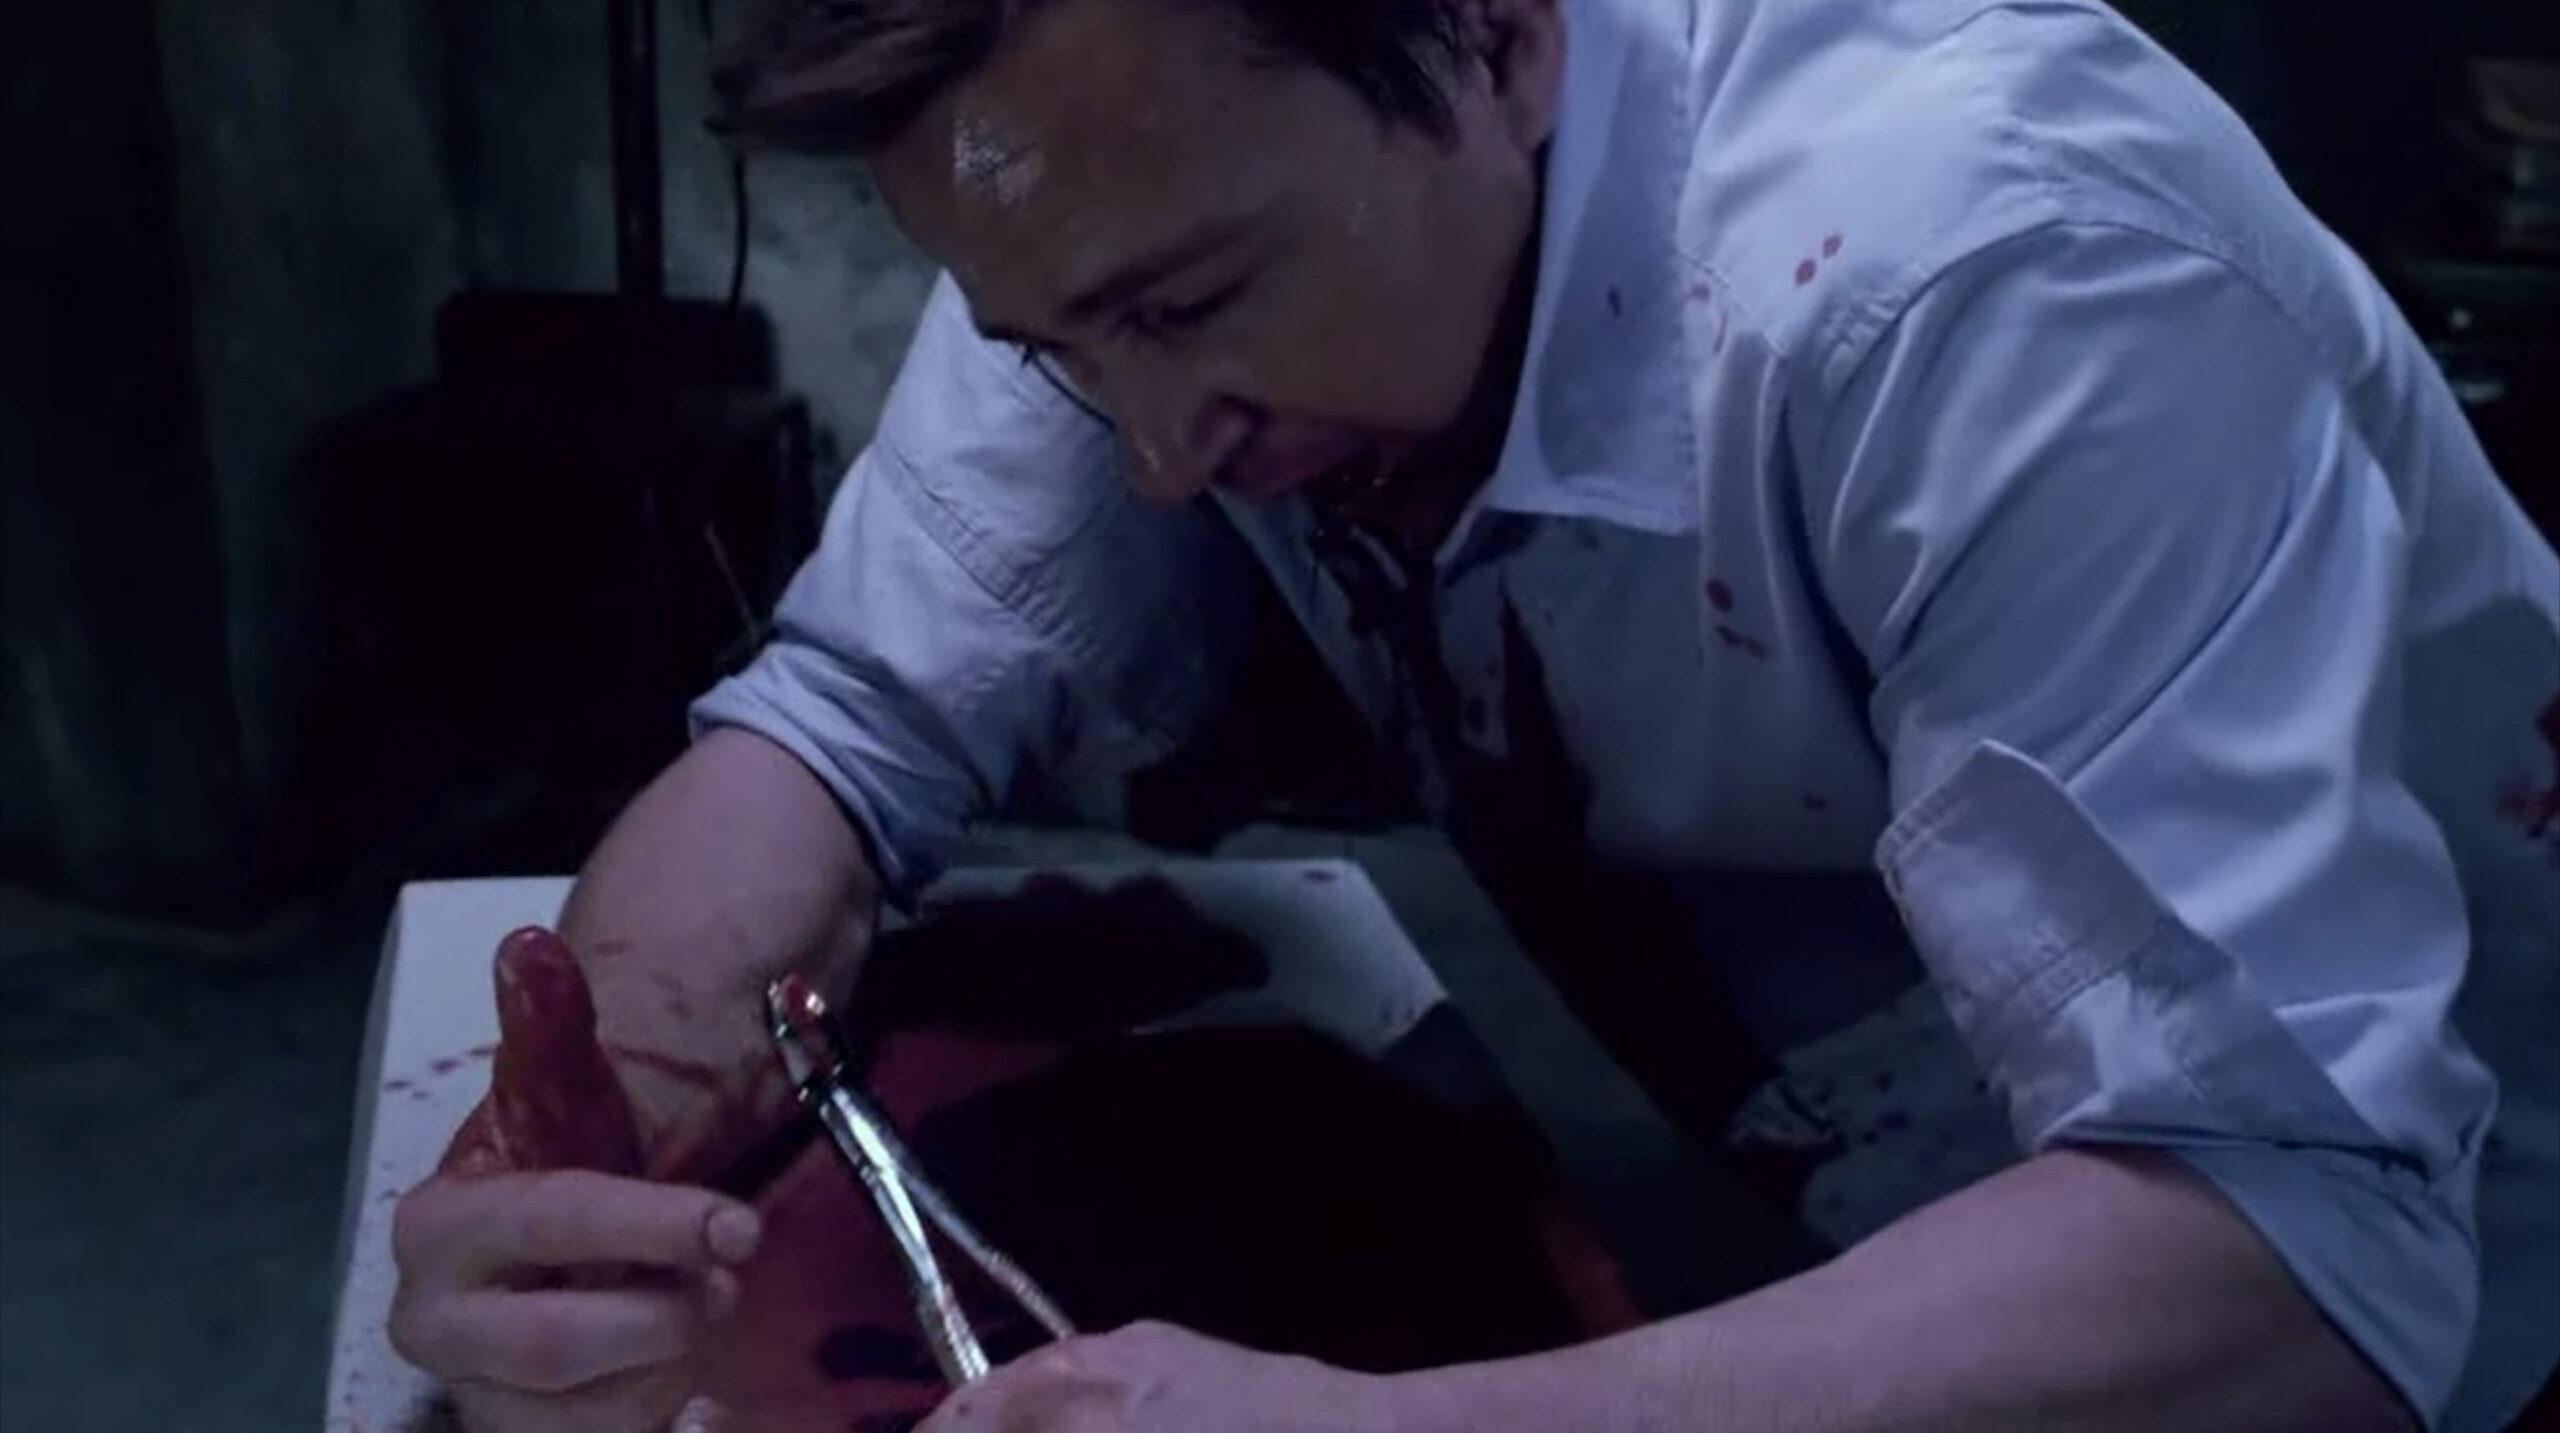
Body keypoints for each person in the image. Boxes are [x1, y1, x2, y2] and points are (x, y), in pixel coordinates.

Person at [386, 0, 2560, 1429]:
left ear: (1499, 39)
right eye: (1057, 352)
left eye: (1189, 309)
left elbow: (2304, 1257)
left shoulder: (1994, 275)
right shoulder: (1133, 190)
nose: (1150, 455)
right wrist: (581, 1139)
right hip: (1871, 1226)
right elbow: (841, 727)